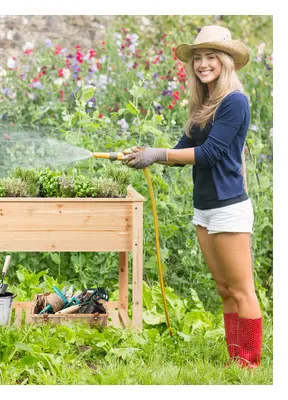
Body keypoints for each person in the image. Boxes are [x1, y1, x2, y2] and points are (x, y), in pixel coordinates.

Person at [122, 25, 262, 368]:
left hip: (229, 207)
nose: (203, 63)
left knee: (242, 290)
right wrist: (144, 154)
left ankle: (250, 361)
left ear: (226, 61)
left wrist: (158, 154)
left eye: (210, 56)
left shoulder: (234, 101)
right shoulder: (205, 104)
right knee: (225, 289)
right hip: (205, 208)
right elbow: (183, 148)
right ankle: (235, 357)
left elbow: (210, 153)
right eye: (198, 58)